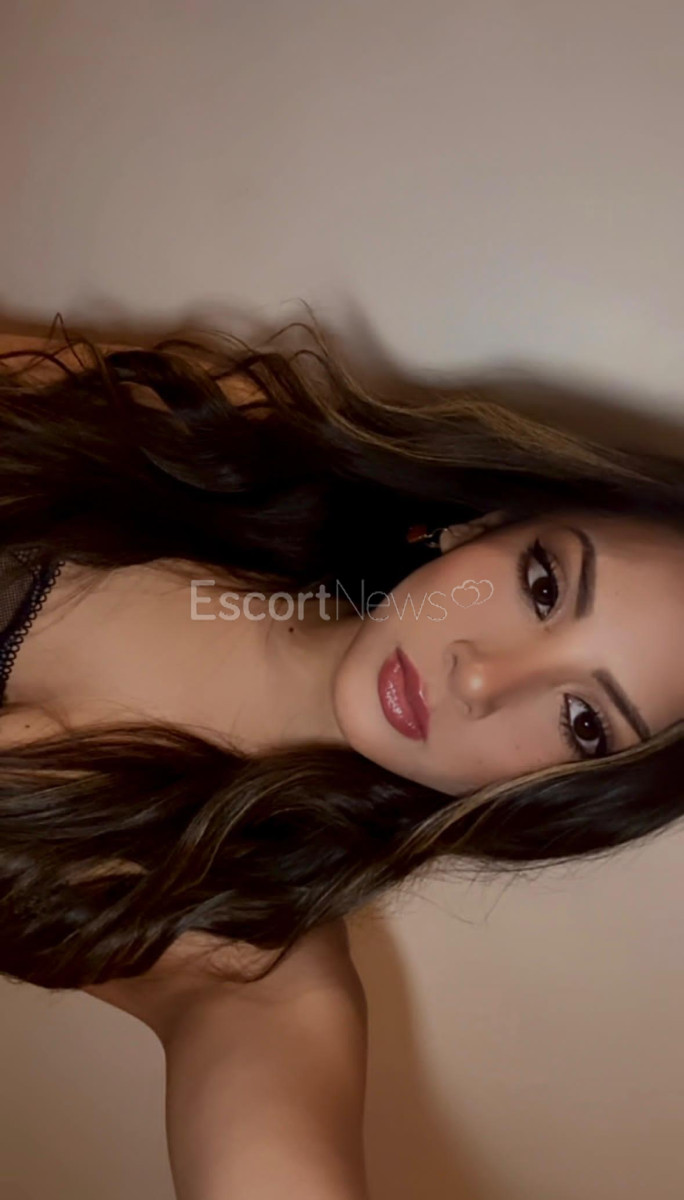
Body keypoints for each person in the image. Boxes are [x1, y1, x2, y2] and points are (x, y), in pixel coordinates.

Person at [0, 310, 682, 1197]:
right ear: (480, 525)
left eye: (584, 722)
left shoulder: (250, 955)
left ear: (560, 798)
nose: (481, 678)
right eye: (543, 584)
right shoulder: (200, 438)